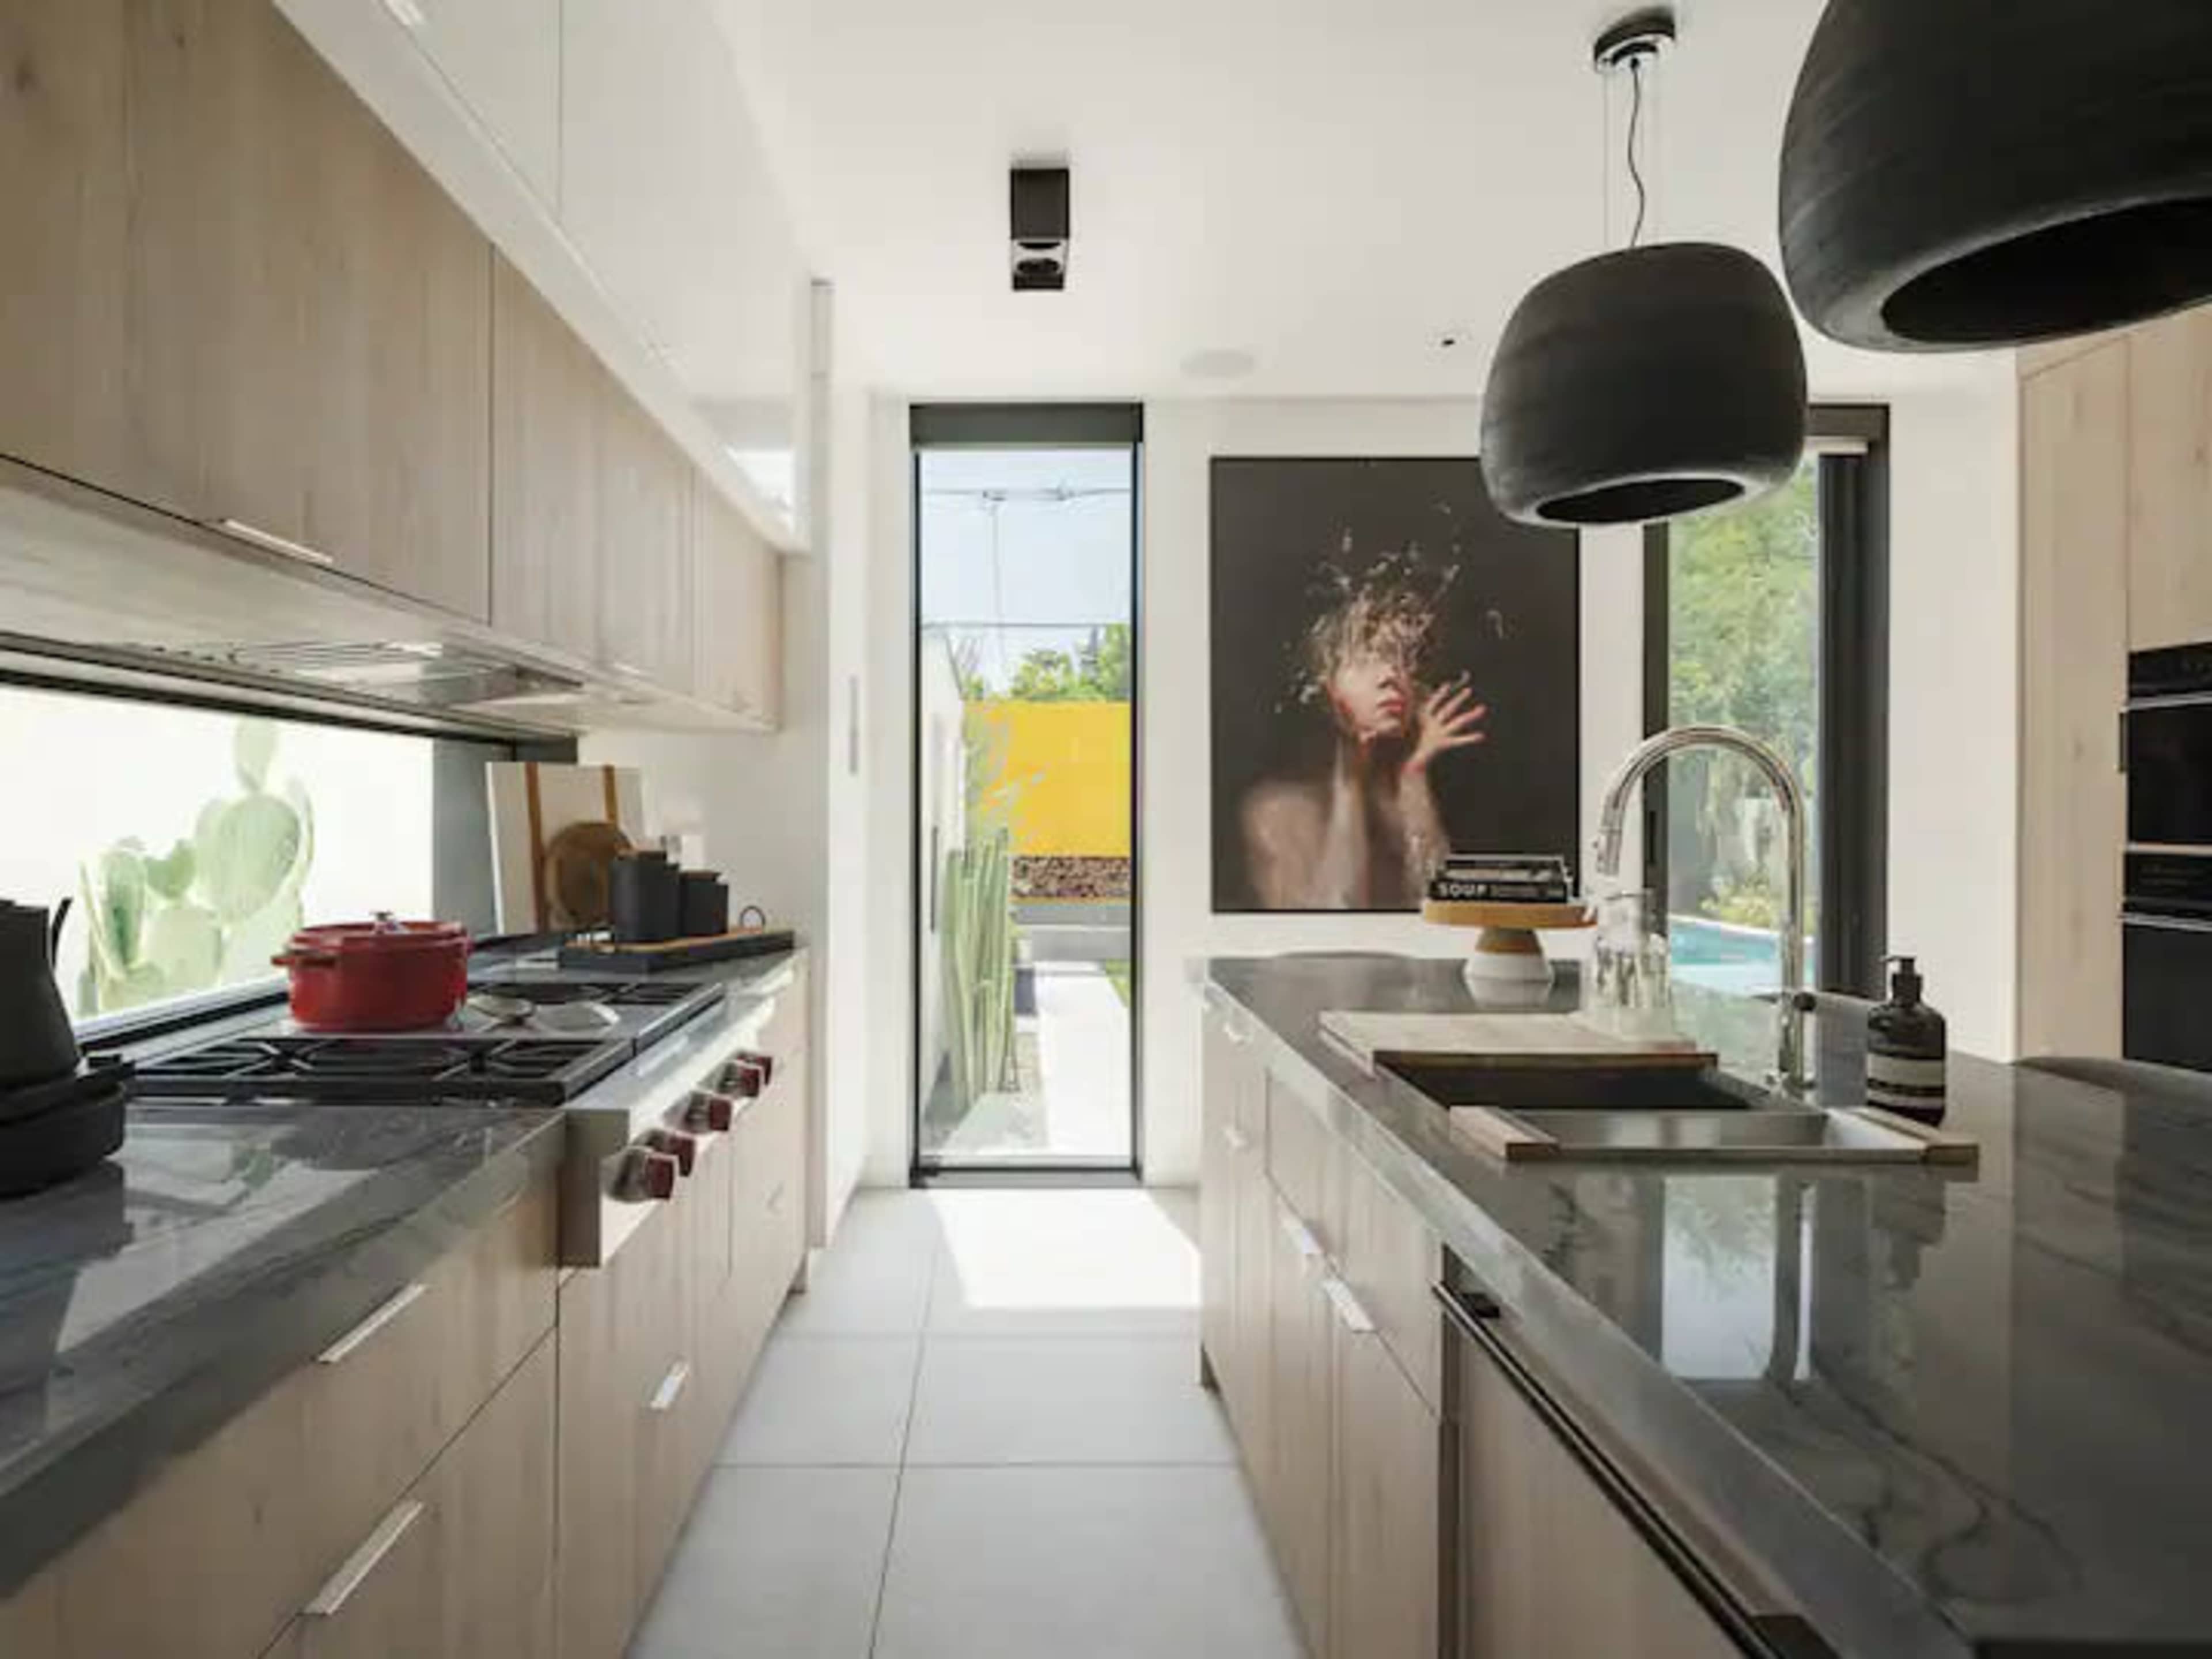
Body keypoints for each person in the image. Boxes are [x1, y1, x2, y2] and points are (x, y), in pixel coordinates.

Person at [1239, 552, 1488, 908]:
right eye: (1366, 660)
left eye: (1403, 660)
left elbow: (1444, 916)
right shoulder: (1278, 807)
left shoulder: (1438, 791)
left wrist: (1414, 776)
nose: (1391, 677)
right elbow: (1333, 922)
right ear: (1325, 688)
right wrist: (1349, 779)